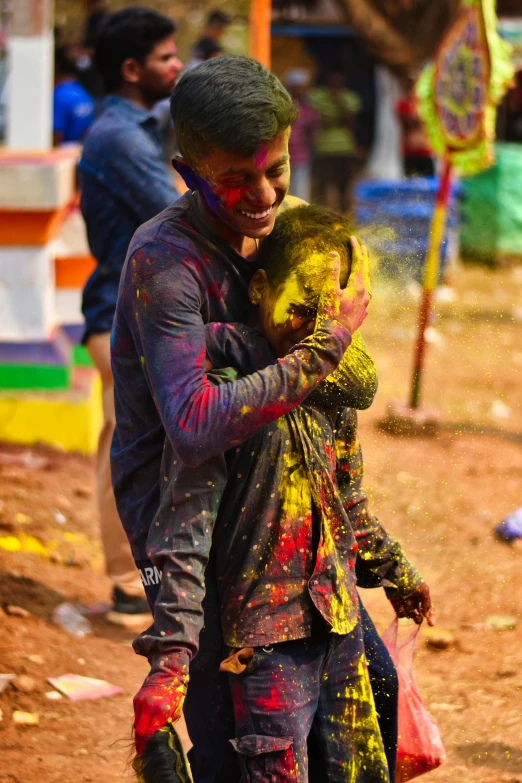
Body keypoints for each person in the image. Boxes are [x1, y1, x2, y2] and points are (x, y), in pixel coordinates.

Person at [110, 54, 372, 781]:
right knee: (240, 739)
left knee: (358, 706)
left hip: (287, 526)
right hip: (189, 529)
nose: (263, 195)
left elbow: (356, 382)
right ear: (186, 169)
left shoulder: (284, 235)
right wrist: (310, 350)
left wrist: (314, 350)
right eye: (236, 178)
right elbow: (193, 423)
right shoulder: (164, 264)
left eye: (277, 168)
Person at [131, 206, 432, 783]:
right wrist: (169, 663)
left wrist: (396, 572)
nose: (320, 334)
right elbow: (183, 536)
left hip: (338, 625)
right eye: (302, 310)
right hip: (267, 648)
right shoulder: (223, 400)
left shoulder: (331, 394)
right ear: (261, 289)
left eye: (337, 317)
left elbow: (347, 502)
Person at [79, 7, 183, 624]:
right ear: (130, 69)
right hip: (120, 318)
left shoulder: (137, 126)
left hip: (128, 313)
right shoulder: (120, 138)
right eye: (167, 58)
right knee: (129, 448)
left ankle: (143, 578)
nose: (177, 66)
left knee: (138, 447)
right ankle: (126, 582)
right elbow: (177, 212)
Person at [309, 70, 361, 214]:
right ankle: (320, 215)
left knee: (343, 187)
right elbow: (318, 120)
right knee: (322, 187)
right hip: (323, 149)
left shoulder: (350, 98)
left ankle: (345, 217)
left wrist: (337, 100)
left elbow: (350, 121)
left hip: (344, 149)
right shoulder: (316, 96)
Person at [283, 68, 320, 203]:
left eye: (302, 88)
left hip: (301, 158)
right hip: (281, 157)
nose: (299, 91)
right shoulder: (282, 107)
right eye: (296, 88)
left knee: (300, 195)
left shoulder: (310, 109)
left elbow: (314, 134)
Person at [53, 46, 95, 146]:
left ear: (57, 67)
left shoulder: (59, 95)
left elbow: (56, 133)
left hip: (63, 155)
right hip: (81, 150)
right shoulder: (83, 93)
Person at [396, 77, 434, 177]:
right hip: (409, 153)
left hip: (425, 152)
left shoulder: (424, 103)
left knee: (428, 185)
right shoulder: (402, 105)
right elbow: (412, 121)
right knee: (409, 185)